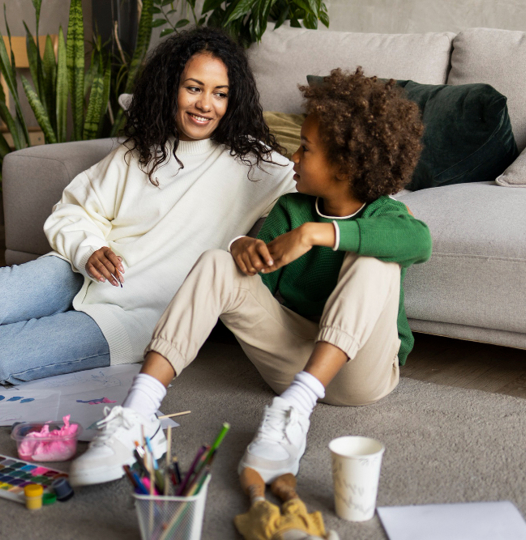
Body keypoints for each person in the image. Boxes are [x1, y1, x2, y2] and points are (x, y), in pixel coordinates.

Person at [0, 27, 294, 385]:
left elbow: (314, 187)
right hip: (79, 271)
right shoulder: (138, 152)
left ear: (233, 99)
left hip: (138, 315)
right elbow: (73, 211)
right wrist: (88, 250)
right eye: (194, 88)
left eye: (220, 93)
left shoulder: (256, 165)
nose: (205, 104)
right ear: (171, 87)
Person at [69, 67, 432, 487]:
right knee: (216, 260)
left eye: (306, 149)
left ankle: (295, 412)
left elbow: (418, 241)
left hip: (361, 376)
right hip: (291, 362)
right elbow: (258, 285)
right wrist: (242, 248)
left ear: (344, 165)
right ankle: (138, 414)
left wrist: (317, 234)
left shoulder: (383, 214)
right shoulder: (289, 210)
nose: (293, 157)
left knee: (376, 258)